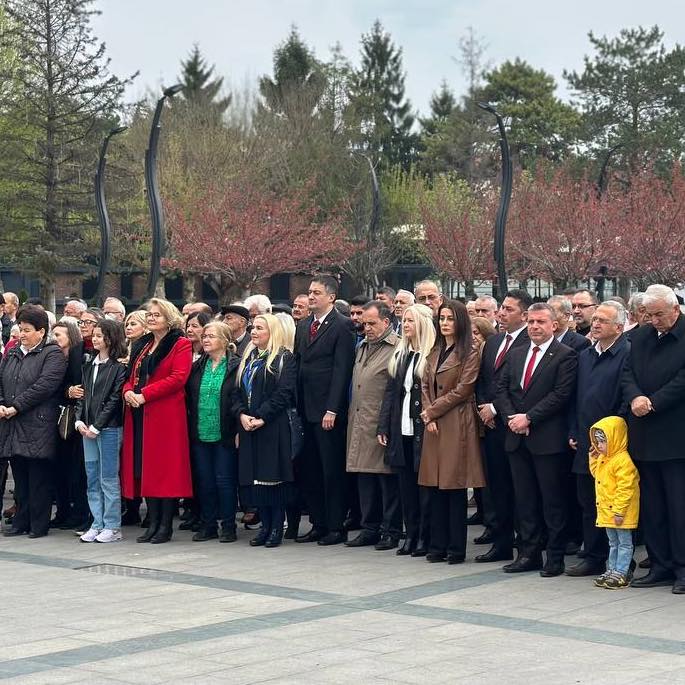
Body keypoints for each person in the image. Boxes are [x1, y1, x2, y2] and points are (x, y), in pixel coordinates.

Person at [495, 303, 577, 577]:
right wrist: (512, 418)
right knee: (525, 499)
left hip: (547, 440)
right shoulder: (517, 354)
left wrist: (529, 417)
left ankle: (554, 556)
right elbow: (502, 388)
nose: (534, 327)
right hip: (517, 438)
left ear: (554, 325)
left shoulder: (565, 355)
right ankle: (528, 553)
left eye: (540, 322)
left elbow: (560, 394)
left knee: (552, 501)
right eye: (530, 322)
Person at [623, 284, 685, 594]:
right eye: (649, 315)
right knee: (654, 507)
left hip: (676, 437)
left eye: (660, 314)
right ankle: (659, 565)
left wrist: (653, 401)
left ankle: (683, 568)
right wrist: (635, 396)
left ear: (676, 309)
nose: (655, 320)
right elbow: (627, 372)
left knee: (679, 508)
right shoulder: (642, 336)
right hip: (644, 434)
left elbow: (682, 381)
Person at [122, 298, 193, 545]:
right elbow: (132, 374)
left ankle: (164, 525)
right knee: (145, 468)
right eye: (149, 315)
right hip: (140, 413)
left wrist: (145, 394)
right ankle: (152, 522)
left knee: (165, 470)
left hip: (165, 415)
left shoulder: (181, 344)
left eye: (157, 315)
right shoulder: (144, 344)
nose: (152, 319)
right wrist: (129, 391)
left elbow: (178, 378)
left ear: (169, 318)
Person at [418, 299, 484, 564]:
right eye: (442, 318)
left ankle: (456, 548)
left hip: (456, 420)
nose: (445, 323)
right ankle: (437, 545)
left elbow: (464, 389)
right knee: (433, 485)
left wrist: (432, 411)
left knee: (453, 486)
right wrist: (428, 414)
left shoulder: (471, 350)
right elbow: (424, 383)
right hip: (434, 422)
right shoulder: (435, 349)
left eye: (450, 319)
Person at [567, 300, 629, 577]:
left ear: (619, 326)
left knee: (613, 502)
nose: (596, 323)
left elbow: (625, 399)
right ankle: (593, 556)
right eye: (596, 320)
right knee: (586, 501)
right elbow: (575, 397)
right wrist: (573, 431)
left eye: (603, 320)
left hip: (612, 446)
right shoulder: (586, 355)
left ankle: (619, 562)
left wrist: (611, 438)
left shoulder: (627, 353)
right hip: (585, 442)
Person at [294, 275, 355, 546]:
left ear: (331, 296)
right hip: (306, 406)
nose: (311, 297)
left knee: (331, 470)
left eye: (317, 292)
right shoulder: (304, 325)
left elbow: (342, 371)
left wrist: (333, 408)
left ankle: (335, 525)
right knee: (311, 469)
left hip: (327, 411)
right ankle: (318, 523)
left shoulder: (342, 326)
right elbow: (299, 363)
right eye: (309, 292)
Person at [474, 289, 531, 563]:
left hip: (515, 424)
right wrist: (484, 406)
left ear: (524, 314)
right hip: (492, 426)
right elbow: (485, 379)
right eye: (502, 308)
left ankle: (526, 544)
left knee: (519, 488)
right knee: (496, 486)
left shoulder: (529, 343)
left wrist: (496, 408)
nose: (502, 313)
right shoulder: (494, 342)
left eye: (509, 309)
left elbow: (517, 385)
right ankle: (501, 542)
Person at [0, 305, 67, 538]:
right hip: (12, 423)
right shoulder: (13, 352)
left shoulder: (52, 353)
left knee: (38, 478)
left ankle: (38, 524)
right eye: (20, 328)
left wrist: (15, 406)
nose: (22, 333)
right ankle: (21, 521)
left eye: (27, 330)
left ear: (41, 331)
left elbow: (45, 385)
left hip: (38, 423)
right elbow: (2, 379)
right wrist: (2, 403)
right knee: (19, 476)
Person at [234, 314, 297, 548]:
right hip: (250, 425)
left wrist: (261, 416)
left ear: (272, 332)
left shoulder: (284, 358)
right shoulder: (249, 358)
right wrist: (242, 414)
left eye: (260, 328)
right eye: (253, 327)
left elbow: (284, 393)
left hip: (273, 427)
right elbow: (237, 392)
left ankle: (275, 528)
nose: (254, 332)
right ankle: (264, 526)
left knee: (272, 479)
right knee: (256, 479)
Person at [378, 303, 435, 556]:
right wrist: (384, 425)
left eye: (411, 320)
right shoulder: (401, 353)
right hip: (401, 426)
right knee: (405, 485)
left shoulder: (432, 353)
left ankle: (425, 535)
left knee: (424, 485)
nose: (406, 325)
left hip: (423, 428)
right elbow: (390, 393)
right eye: (405, 321)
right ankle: (410, 533)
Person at [345, 301, 400, 550]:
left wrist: (386, 425)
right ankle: (369, 527)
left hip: (381, 422)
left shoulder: (397, 347)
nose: (366, 327)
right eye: (364, 323)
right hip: (359, 420)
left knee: (386, 479)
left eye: (372, 323)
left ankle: (391, 530)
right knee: (364, 476)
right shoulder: (362, 346)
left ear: (386, 322)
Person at [186, 321, 240, 543]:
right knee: (205, 481)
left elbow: (239, 399)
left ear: (225, 341)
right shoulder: (198, 366)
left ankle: (228, 525)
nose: (205, 339)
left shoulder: (235, 366)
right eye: (204, 336)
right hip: (200, 431)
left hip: (224, 433)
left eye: (211, 336)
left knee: (224, 481)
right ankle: (208, 525)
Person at [74, 320, 127, 543]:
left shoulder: (118, 368)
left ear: (111, 338)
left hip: (109, 430)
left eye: (99, 335)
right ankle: (97, 523)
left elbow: (115, 400)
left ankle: (112, 525)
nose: (94, 339)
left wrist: (97, 426)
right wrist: (78, 421)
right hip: (88, 430)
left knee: (108, 478)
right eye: (93, 335)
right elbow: (82, 397)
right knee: (92, 477)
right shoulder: (88, 364)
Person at [589, 418, 639, 589]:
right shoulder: (604, 458)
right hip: (608, 511)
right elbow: (597, 475)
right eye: (597, 441)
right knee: (613, 542)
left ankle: (622, 572)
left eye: (603, 441)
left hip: (620, 513)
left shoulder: (623, 461)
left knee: (624, 543)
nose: (599, 445)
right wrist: (593, 458)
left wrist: (619, 511)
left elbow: (626, 489)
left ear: (615, 439)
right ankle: (613, 569)